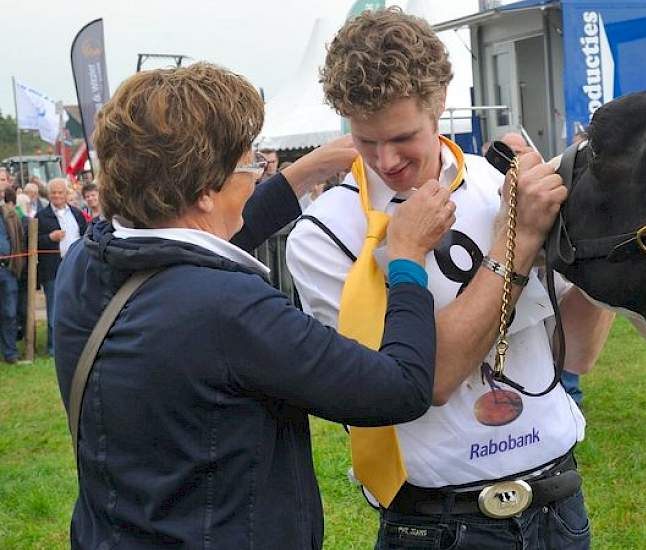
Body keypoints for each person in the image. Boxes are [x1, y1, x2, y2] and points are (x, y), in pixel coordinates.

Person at [53, 62, 456, 548]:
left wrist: (305, 172)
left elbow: (192, 236)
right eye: (250, 165)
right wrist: (407, 259)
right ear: (205, 191)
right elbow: (400, 388)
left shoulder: (86, 260)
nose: (257, 174)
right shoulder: (227, 309)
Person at [288, 8, 612, 548]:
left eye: (402, 137)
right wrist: (520, 241)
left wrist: (585, 239)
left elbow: (578, 354)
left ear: (440, 102)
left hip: (556, 500)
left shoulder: (497, 181)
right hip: (441, 522)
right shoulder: (324, 235)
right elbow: (425, 380)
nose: (386, 160)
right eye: (366, 142)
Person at [37, 178, 87, 355]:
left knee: (79, 305)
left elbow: (86, 236)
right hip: (53, 268)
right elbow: (33, 242)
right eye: (53, 193)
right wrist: (49, 238)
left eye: (60, 192)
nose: (57, 196)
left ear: (67, 194)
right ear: (49, 195)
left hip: (77, 266)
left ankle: (78, 343)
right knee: (54, 307)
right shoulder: (41, 216)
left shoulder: (77, 214)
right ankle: (53, 347)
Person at [0, 188, 23, 363]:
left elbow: (19, 239)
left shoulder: (10, 214)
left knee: (9, 312)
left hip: (7, 270)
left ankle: (10, 353)